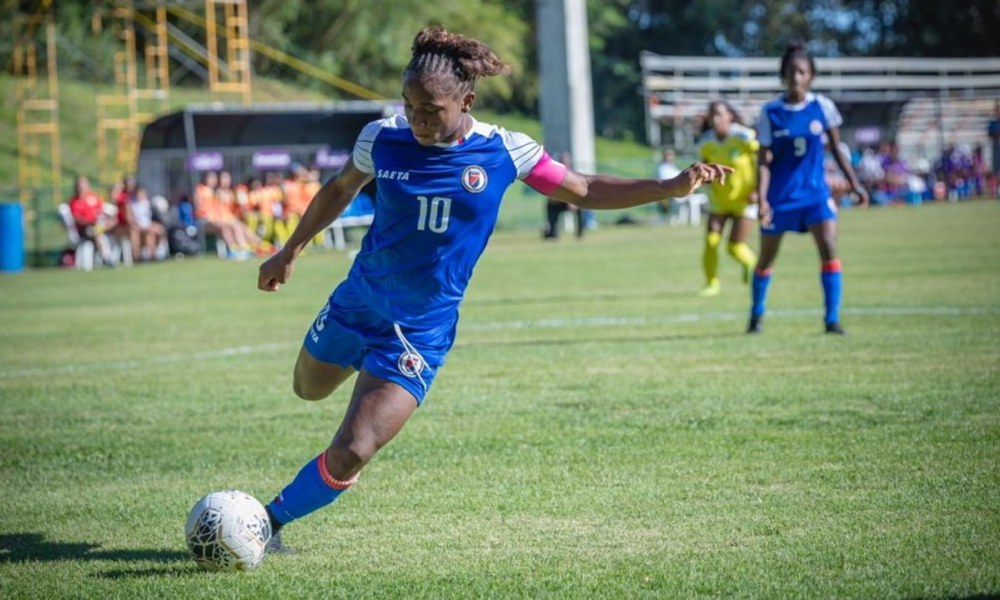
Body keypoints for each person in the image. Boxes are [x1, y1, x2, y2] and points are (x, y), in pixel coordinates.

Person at [255, 26, 731, 551]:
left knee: (356, 446)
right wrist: (290, 249)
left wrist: (667, 187)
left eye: (431, 109)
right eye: (410, 105)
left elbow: (584, 188)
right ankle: (350, 378)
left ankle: (266, 523)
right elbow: (340, 188)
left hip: (418, 333)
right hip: (356, 303)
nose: (417, 119)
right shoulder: (381, 137)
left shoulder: (506, 151)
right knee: (308, 388)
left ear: (467, 101)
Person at [749, 42, 869, 335]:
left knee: (829, 248)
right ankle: (756, 315)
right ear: (783, 75)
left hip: (815, 194)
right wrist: (762, 199)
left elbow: (838, 150)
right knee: (766, 257)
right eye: (791, 72)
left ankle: (832, 319)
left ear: (811, 76)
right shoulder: (770, 112)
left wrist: (854, 184)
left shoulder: (822, 107)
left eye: (802, 71)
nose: (796, 77)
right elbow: (763, 160)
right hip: (780, 196)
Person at [694, 101, 759, 297]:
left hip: (745, 200)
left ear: (730, 116)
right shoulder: (705, 143)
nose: (716, 119)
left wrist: (757, 190)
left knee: (734, 246)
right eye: (712, 115)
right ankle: (712, 283)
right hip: (719, 200)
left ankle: (751, 265)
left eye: (720, 114)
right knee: (711, 241)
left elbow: (764, 160)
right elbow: (703, 168)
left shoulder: (744, 137)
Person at [542, 152, 584, 239]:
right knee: (551, 205)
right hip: (558, 201)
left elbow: (578, 191)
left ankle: (580, 233)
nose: (564, 162)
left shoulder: (574, 174)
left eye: (566, 161)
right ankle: (552, 232)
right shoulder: (554, 173)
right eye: (562, 161)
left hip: (570, 201)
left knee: (582, 206)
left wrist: (573, 202)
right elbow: (551, 193)